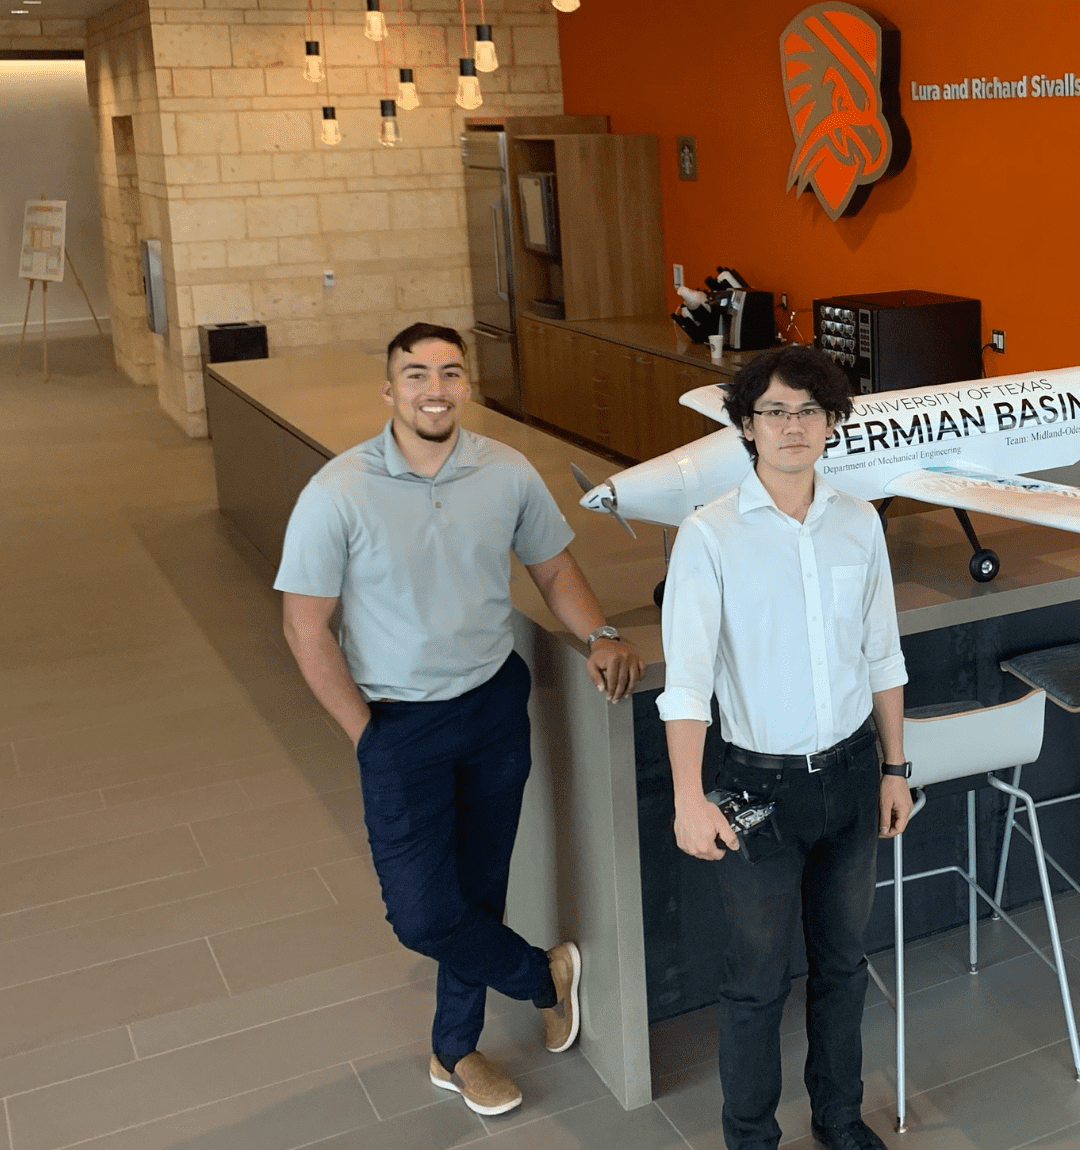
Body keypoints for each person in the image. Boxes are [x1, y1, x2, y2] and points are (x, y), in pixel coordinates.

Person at [276, 322, 642, 1116]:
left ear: (468, 386)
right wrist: (364, 735)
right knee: (421, 912)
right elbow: (305, 626)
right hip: (397, 725)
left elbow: (553, 566)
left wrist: (602, 633)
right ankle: (542, 975)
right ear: (389, 390)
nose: (433, 388)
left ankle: (455, 1049)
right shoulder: (338, 490)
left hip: (491, 704)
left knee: (479, 889)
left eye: (448, 372)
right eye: (415, 374)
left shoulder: (504, 472)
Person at [657, 344, 915, 1150]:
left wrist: (896, 767)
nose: (793, 426)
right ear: (746, 425)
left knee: (843, 967)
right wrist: (688, 798)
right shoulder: (709, 535)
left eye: (809, 410)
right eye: (774, 411)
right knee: (755, 985)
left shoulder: (859, 522)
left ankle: (840, 1121)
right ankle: (751, 1140)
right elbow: (688, 683)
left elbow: (882, 652)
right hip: (755, 790)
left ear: (832, 423)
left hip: (849, 775)